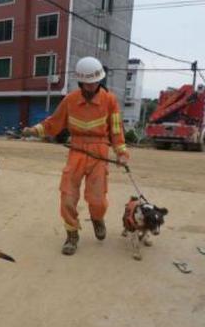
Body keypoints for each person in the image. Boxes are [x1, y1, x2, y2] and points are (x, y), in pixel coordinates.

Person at [23, 56, 129, 256]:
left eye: (95, 82)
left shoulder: (110, 100)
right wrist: (34, 130)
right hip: (77, 149)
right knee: (68, 195)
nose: (91, 86)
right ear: (81, 82)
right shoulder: (70, 100)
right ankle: (72, 234)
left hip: (99, 151)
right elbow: (53, 123)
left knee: (97, 198)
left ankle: (97, 219)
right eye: (87, 83)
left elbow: (116, 130)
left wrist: (121, 152)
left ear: (100, 80)